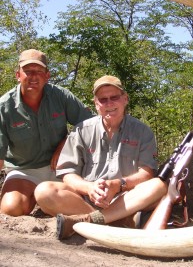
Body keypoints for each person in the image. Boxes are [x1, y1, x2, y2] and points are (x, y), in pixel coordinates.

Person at [34, 75, 167, 239]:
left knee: (159, 186)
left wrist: (118, 185)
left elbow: (147, 173)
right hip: (87, 200)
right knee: (44, 191)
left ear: (125, 99)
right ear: (96, 104)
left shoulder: (143, 131)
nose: (109, 104)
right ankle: (118, 221)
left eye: (114, 97)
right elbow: (68, 174)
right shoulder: (81, 130)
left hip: (127, 198)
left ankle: (91, 220)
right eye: (103, 100)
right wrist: (89, 188)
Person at [0, 49, 94, 216]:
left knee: (90, 194)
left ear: (47, 75)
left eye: (39, 71)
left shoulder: (61, 95)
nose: (33, 76)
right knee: (10, 209)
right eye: (27, 71)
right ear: (18, 75)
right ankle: (38, 199)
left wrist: (65, 143)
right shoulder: (4, 107)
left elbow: (90, 124)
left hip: (63, 168)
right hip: (24, 170)